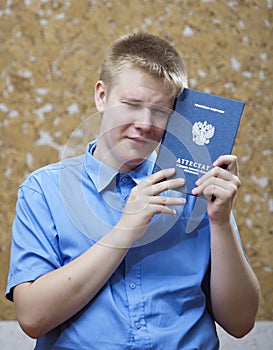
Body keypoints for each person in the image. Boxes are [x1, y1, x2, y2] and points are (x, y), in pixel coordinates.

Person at [6, 32, 260, 349]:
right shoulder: (43, 190)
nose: (144, 122)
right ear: (101, 96)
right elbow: (32, 318)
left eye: (160, 110)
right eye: (131, 104)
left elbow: (240, 323)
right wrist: (126, 228)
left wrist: (221, 222)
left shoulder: (198, 187)